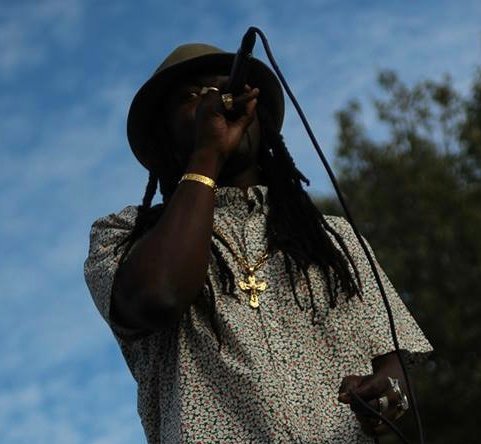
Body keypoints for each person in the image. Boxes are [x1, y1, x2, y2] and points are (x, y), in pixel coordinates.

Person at [84, 43, 432, 443]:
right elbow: (158, 296)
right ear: (164, 135)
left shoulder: (331, 237)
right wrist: (207, 153)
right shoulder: (124, 235)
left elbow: (392, 358)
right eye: (192, 96)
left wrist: (388, 391)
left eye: (228, 89)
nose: (218, 102)